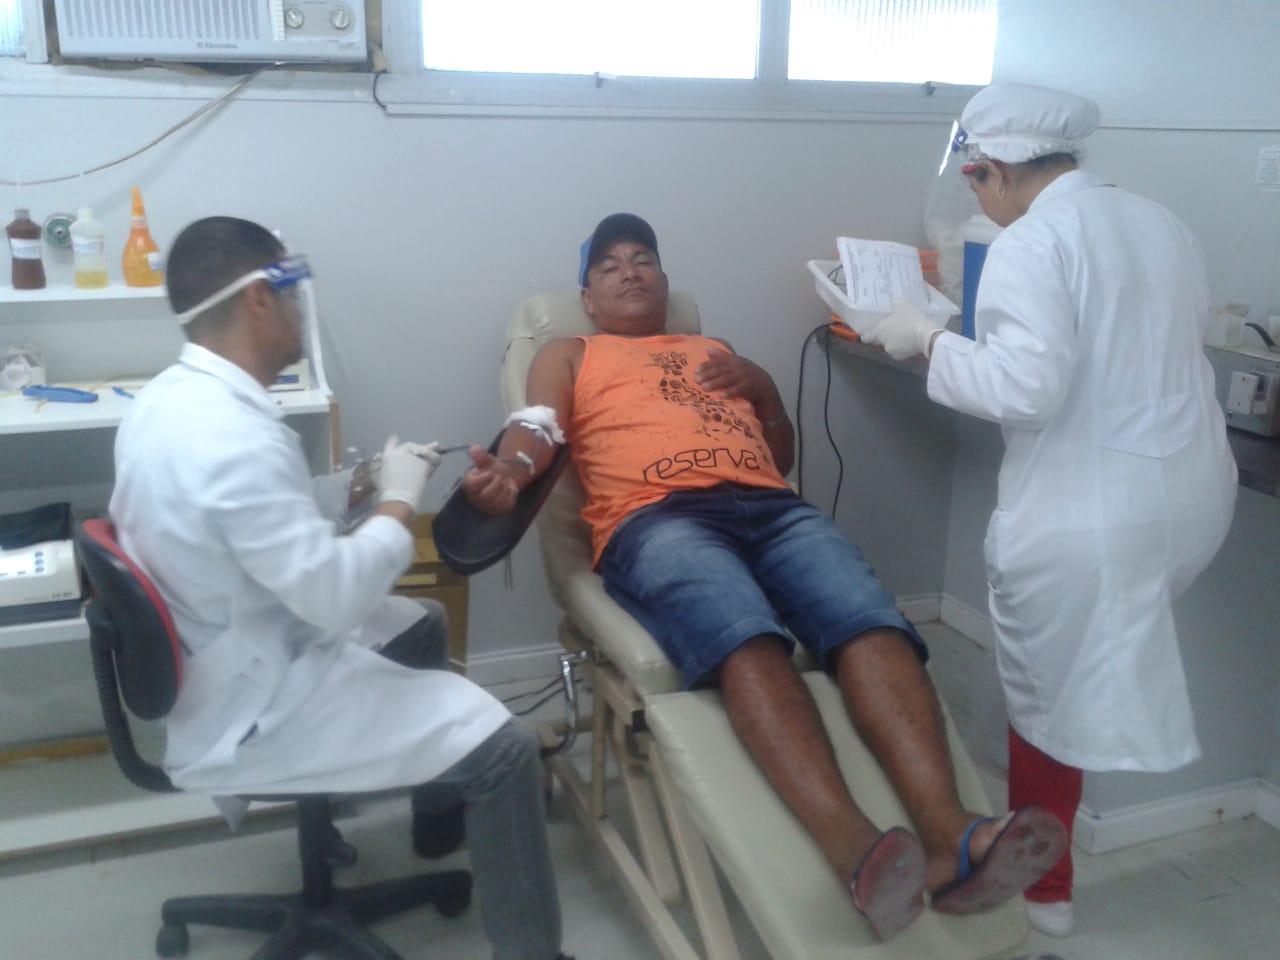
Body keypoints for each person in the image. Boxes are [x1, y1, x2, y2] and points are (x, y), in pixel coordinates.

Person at [460, 211, 1067, 942]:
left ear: (665, 281)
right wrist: (512, 471)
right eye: (610, 265)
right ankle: (857, 851)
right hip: (656, 520)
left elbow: (779, 458)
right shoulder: (568, 351)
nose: (630, 271)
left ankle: (950, 836)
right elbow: (537, 427)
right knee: (745, 633)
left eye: (643, 258)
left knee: (872, 622)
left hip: (775, 510)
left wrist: (766, 390)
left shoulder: (714, 349)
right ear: (587, 297)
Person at [110, 216, 574, 960]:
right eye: (294, 289)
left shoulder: (170, 401)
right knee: (507, 750)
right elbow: (336, 599)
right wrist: (398, 501)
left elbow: (254, 522)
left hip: (225, 643)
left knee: (421, 622)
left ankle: (436, 817)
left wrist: (357, 486)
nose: (303, 308)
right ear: (259, 298)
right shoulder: (234, 440)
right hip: (256, 704)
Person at [861, 83, 1238, 937]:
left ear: (991, 170)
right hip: (1186, 494)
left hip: (1092, 514)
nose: (978, 204)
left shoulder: (1031, 242)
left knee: (1045, 694)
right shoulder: (1159, 223)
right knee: (1068, 677)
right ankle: (1015, 832)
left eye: (975, 186)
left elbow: (1022, 390)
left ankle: (1044, 899)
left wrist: (927, 340)